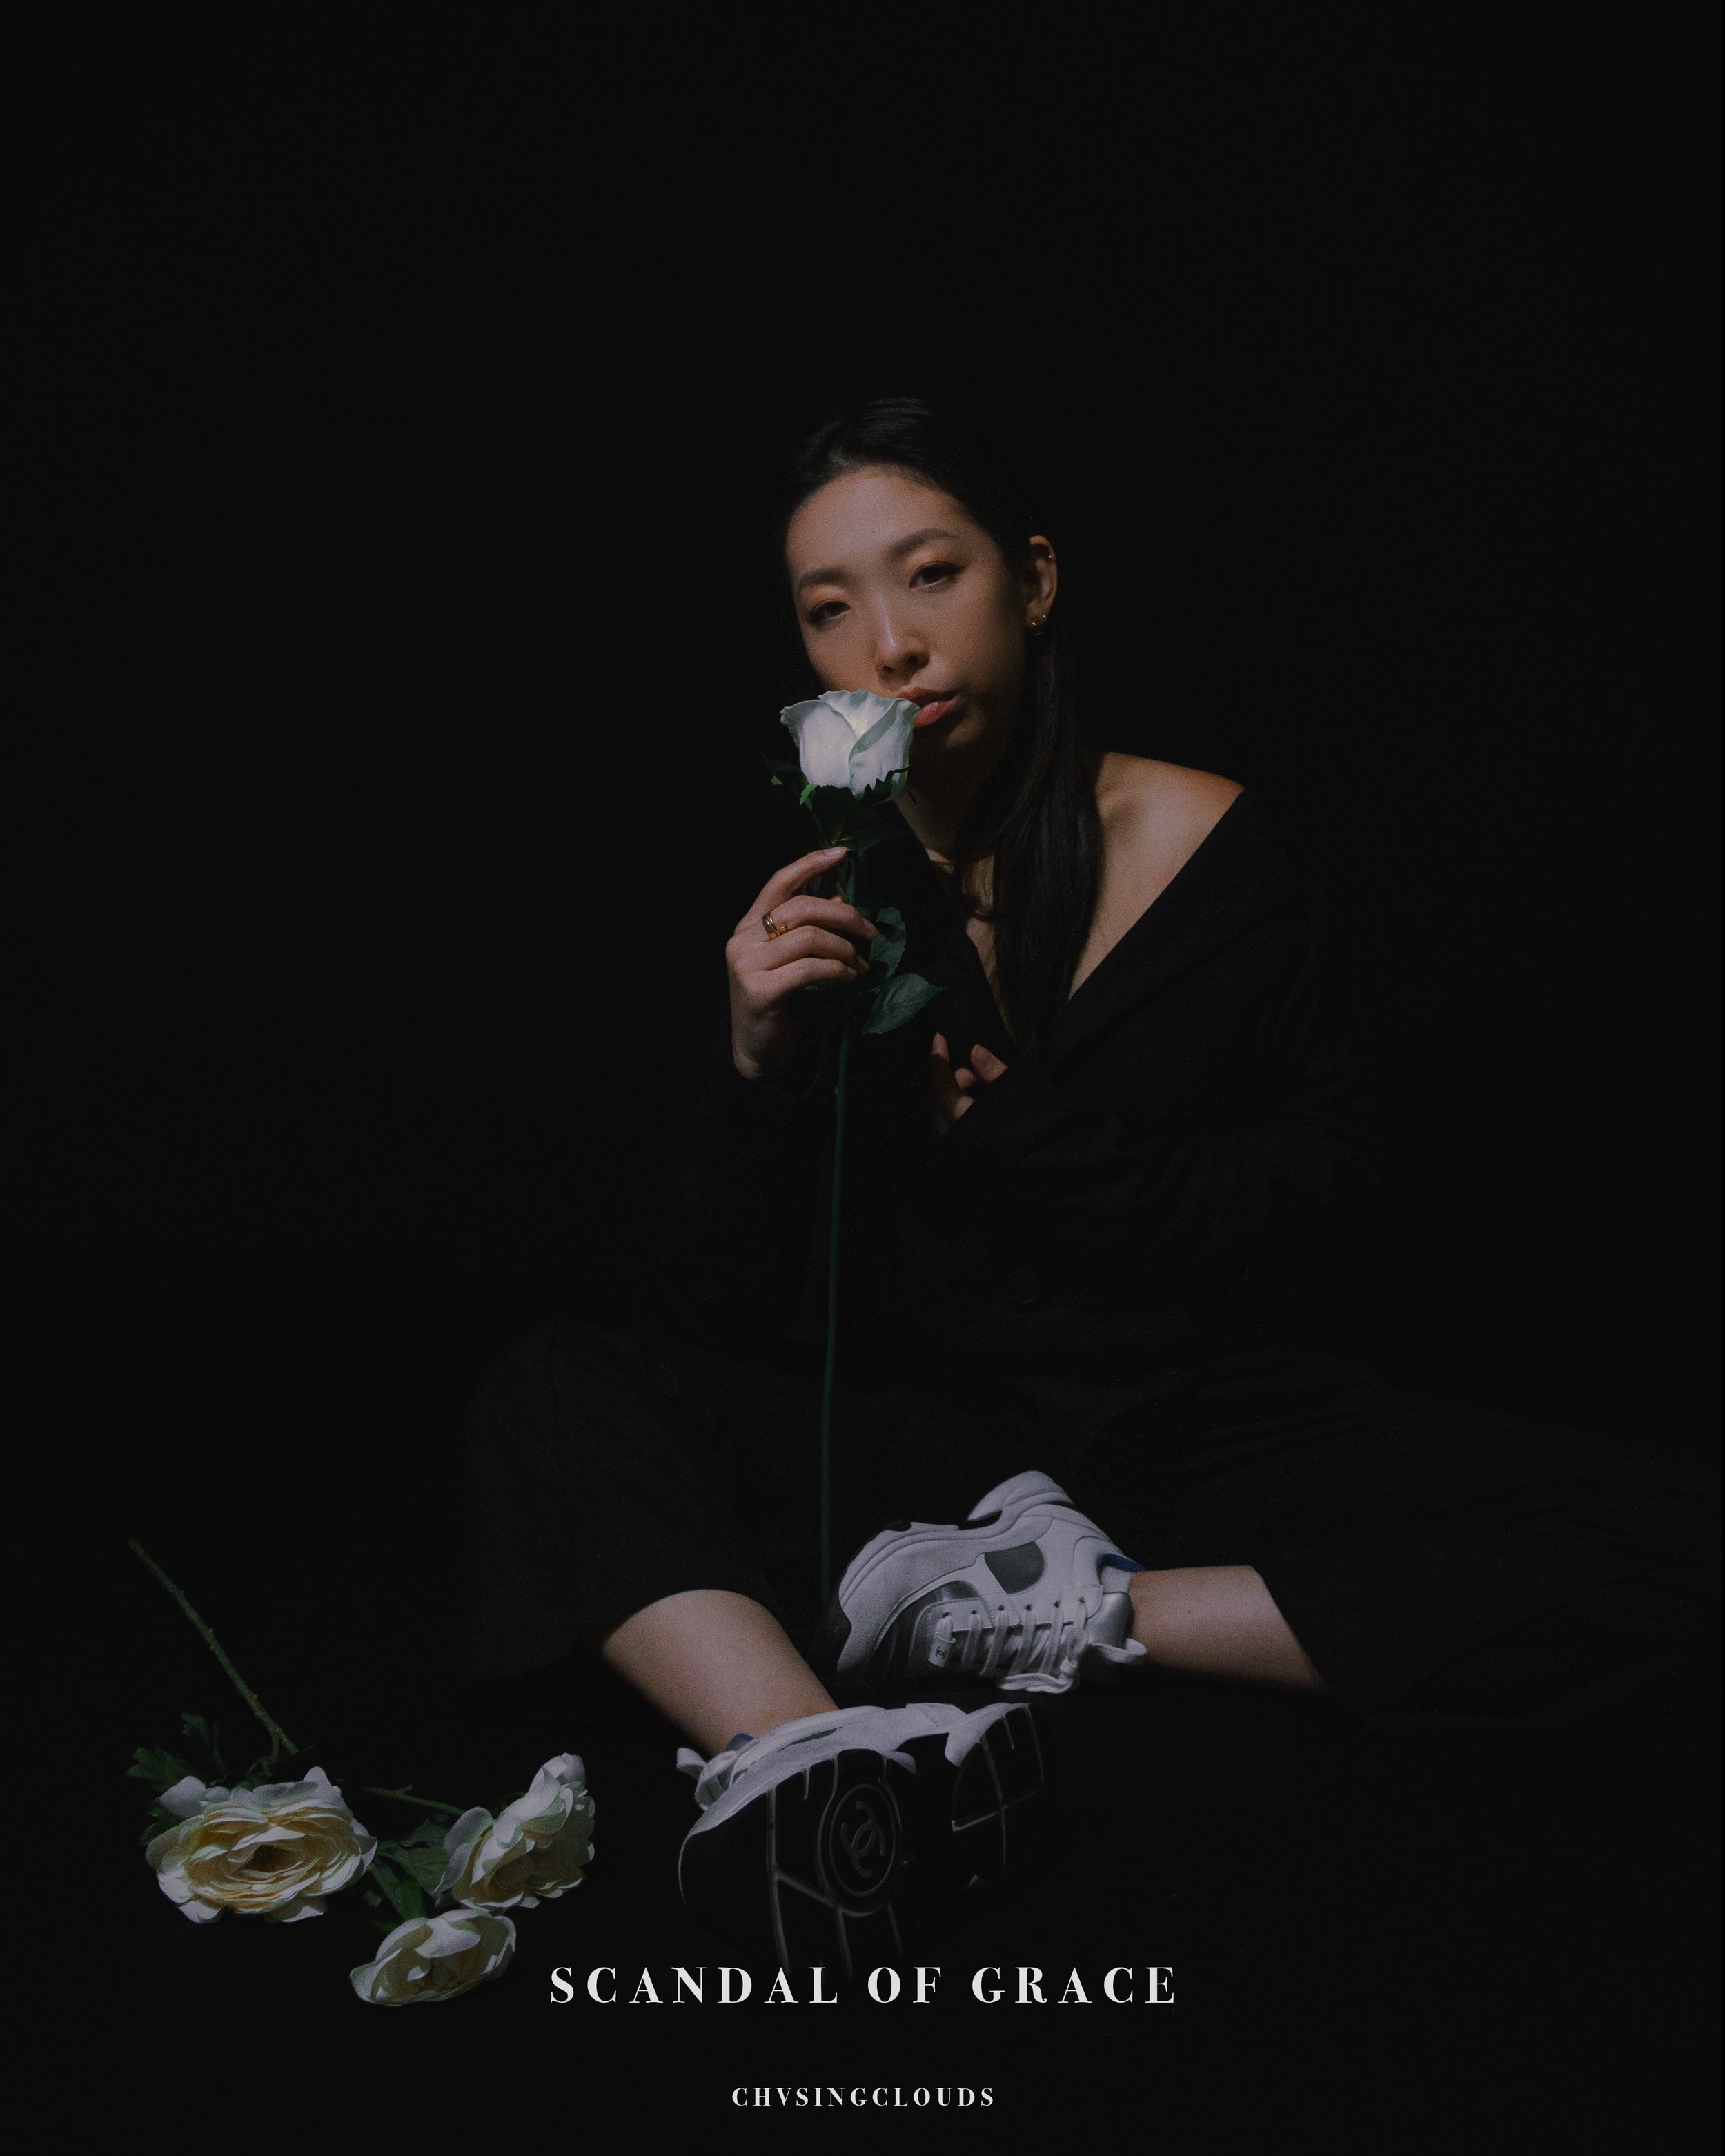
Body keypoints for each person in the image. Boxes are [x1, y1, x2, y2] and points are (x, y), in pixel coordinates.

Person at [460, 397, 1715, 1978]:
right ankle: (803, 1755)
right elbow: (724, 1305)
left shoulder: (1211, 850)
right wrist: (756, 1067)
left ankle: (1080, 1624)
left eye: (930, 576)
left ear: (1032, 580)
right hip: (924, 1461)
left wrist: (1033, 1150)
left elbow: (1332, 1205)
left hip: (1180, 1429)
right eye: (828, 609)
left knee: (1670, 1537)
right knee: (553, 1388)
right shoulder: (830, 890)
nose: (889, 645)